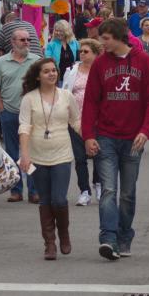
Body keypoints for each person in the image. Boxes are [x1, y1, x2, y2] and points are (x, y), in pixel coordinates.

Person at [81, 18, 149, 261]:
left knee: (127, 192)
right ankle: (108, 238)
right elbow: (91, 101)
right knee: (108, 190)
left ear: (118, 38)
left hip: (134, 138)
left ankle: (124, 235)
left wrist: (145, 130)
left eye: (105, 38)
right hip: (106, 136)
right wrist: (88, 135)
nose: (101, 43)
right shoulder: (100, 64)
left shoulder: (144, 61)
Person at [18, 57, 82, 260]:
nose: (52, 74)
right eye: (46, 71)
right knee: (45, 200)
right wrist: (25, 155)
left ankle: (63, 234)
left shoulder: (66, 96)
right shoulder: (29, 99)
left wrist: (90, 139)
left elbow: (76, 121)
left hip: (62, 154)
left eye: (54, 70)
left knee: (59, 199)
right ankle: (49, 243)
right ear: (38, 76)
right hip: (37, 156)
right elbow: (24, 127)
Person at [0, 29, 38, 203]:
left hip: (32, 114)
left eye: (28, 39)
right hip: (9, 112)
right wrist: (1, 110)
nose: (26, 42)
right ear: (13, 42)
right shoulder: (1, 63)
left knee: (31, 152)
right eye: (22, 40)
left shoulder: (36, 61)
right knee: (12, 152)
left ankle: (34, 190)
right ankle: (16, 190)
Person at [62, 38, 101, 206]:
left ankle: (99, 184)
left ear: (95, 53)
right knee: (79, 158)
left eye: (86, 51)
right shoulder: (72, 70)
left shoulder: (101, 70)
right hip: (75, 120)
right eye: (81, 52)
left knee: (99, 155)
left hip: (97, 120)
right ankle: (84, 190)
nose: (82, 54)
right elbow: (64, 92)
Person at [45, 20, 79, 84]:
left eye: (60, 31)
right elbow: (47, 61)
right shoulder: (51, 45)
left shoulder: (75, 43)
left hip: (72, 77)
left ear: (66, 31)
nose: (58, 33)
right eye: (56, 30)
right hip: (58, 78)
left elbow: (78, 60)